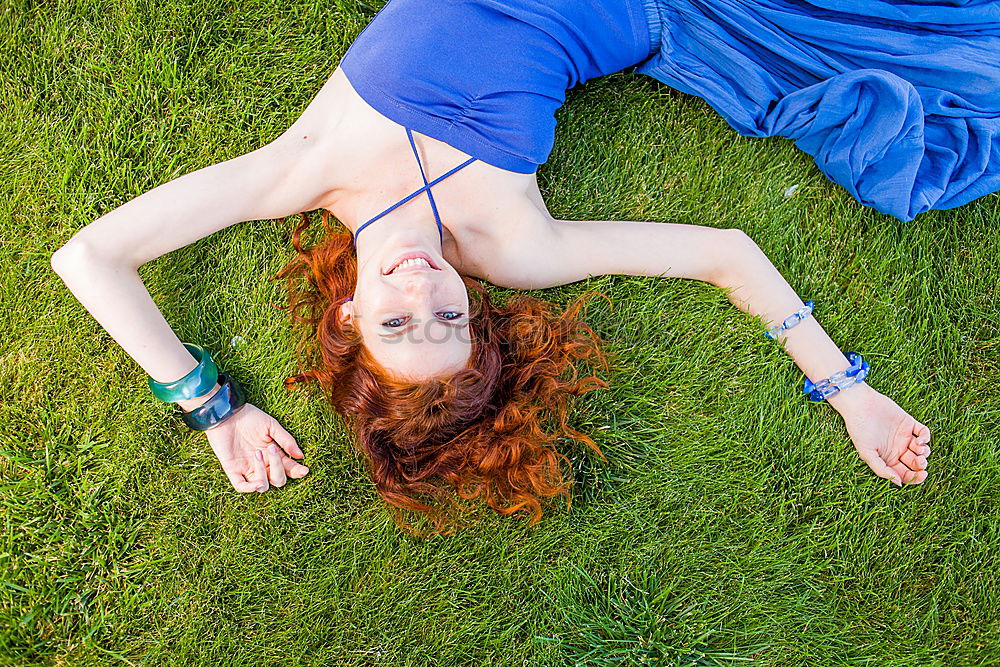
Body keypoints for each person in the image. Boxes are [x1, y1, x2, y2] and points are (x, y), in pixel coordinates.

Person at [54, 0, 1000, 531]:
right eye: (449, 320)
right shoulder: (518, 247)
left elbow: (91, 255)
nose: (422, 289)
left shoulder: (304, 167)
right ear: (479, 313)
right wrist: (847, 390)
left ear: (345, 315)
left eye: (395, 322)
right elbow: (727, 254)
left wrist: (211, 410)